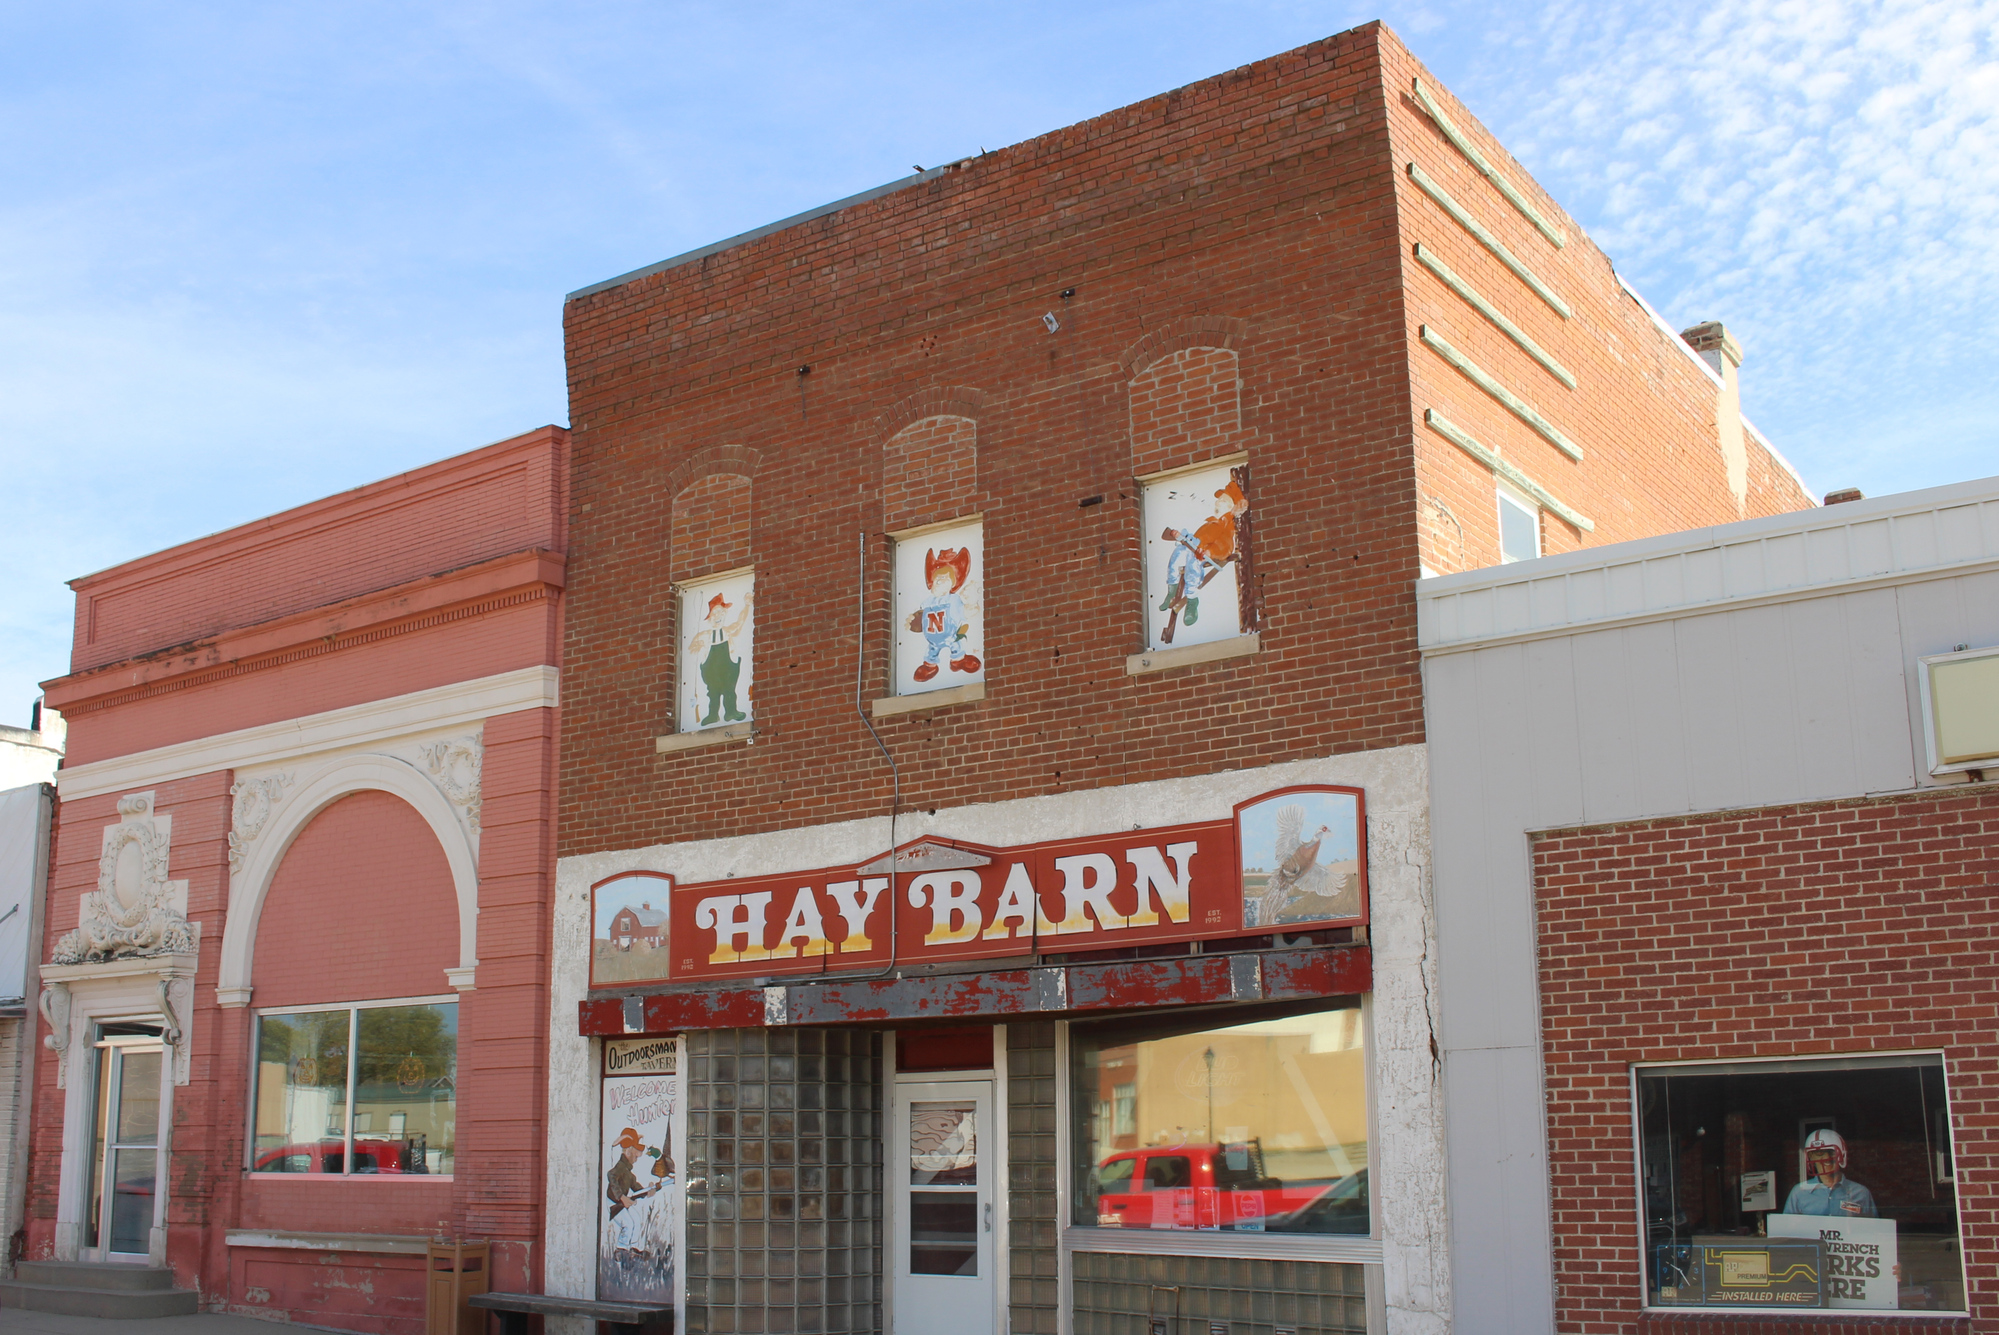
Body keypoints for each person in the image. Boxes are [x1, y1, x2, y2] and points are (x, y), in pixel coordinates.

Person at [908, 547, 981, 684]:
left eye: (945, 578)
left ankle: (958, 661)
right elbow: (922, 614)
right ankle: (929, 666)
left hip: (950, 634)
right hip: (932, 635)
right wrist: (914, 620)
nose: (941, 582)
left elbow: (962, 611)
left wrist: (971, 608)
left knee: (955, 644)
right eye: (938, 579)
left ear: (953, 583)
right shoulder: (928, 601)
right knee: (932, 650)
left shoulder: (953, 599)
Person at [1781, 1128, 1878, 1217]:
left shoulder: (1860, 1193)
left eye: (1830, 1152)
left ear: (1841, 1154)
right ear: (1810, 1157)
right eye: (1819, 1153)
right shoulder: (1799, 1192)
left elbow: (1872, 1229)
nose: (1826, 1158)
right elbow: (1788, 1229)